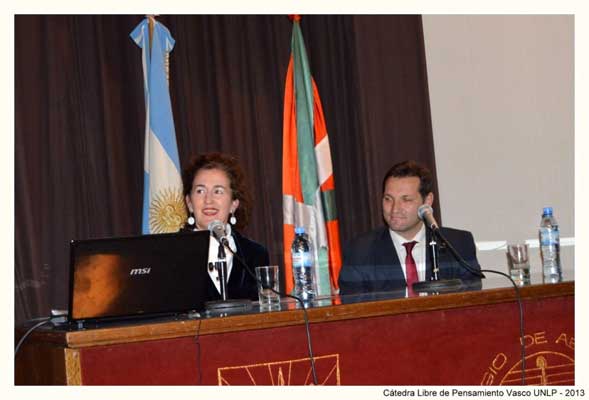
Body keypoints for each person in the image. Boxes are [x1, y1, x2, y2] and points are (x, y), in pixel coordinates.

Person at [338, 160, 481, 295]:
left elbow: (472, 304)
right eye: (388, 199)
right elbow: (354, 310)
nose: (394, 209)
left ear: (427, 201)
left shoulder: (458, 245)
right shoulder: (360, 251)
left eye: (406, 200)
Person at [181, 152, 269, 302]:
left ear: (233, 204)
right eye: (200, 191)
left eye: (218, 191)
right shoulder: (172, 252)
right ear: (189, 203)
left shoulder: (255, 254)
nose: (208, 200)